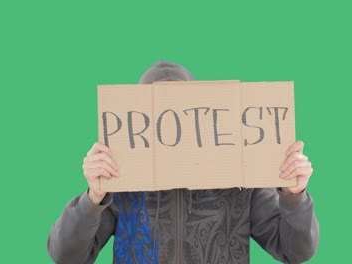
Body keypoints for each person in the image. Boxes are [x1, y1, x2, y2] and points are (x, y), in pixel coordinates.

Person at [47, 61, 319, 264]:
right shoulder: (119, 184)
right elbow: (65, 256)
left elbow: (296, 251)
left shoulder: (239, 178)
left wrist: (294, 196)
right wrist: (92, 199)